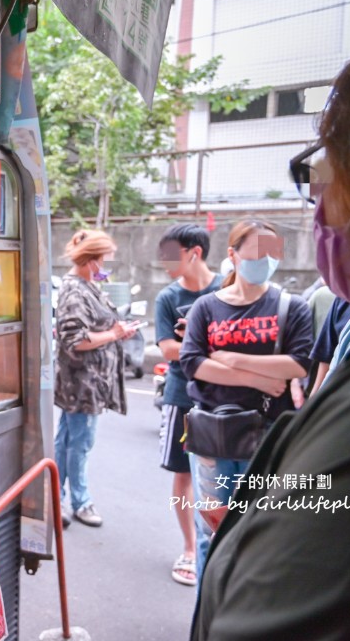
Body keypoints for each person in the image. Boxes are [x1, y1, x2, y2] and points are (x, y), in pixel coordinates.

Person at [192, 3, 350, 639]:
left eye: (326, 172)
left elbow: (297, 370)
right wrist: (268, 524)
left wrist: (272, 529)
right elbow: (199, 361)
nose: (321, 204)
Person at [179, 219, 313, 583]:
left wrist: (233, 359)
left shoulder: (292, 307)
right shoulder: (206, 307)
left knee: (256, 537)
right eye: (256, 251)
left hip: (268, 434)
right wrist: (258, 377)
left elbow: (298, 363)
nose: (264, 259)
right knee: (212, 532)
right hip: (212, 436)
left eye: (272, 252)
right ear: (233, 255)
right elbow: (193, 363)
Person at [54, 229, 140, 528]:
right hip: (82, 383)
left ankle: (57, 497)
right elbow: (74, 339)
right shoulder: (75, 290)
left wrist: (117, 331)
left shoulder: (87, 286)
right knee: (79, 443)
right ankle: (80, 501)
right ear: (92, 261)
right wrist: (114, 333)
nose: (105, 266)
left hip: (87, 381)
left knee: (68, 439)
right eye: (103, 260)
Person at [154, 224, 223, 587]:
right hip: (182, 397)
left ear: (194, 253)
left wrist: (196, 351)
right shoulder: (167, 297)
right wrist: (217, 352)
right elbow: (167, 350)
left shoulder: (227, 289)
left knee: (230, 472)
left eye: (170, 253)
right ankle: (190, 548)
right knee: (185, 476)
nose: (163, 261)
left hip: (228, 398)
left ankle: (221, 543)